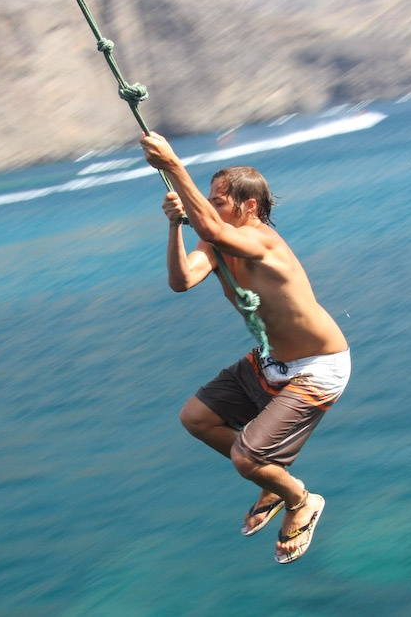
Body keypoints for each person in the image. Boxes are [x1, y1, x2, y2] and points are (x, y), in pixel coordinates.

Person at [140, 131, 350, 564]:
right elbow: (181, 280)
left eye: (218, 200)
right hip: (273, 361)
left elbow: (211, 227)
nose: (209, 207)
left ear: (249, 206)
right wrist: (174, 226)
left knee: (245, 457)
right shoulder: (216, 244)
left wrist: (172, 164)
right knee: (196, 418)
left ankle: (300, 501)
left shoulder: (262, 242)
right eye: (211, 200)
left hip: (318, 367)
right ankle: (270, 480)